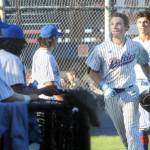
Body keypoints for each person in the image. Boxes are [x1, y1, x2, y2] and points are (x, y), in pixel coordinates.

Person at [86, 12, 150, 150]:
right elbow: (91, 71)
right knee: (124, 136)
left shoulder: (135, 46)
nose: (115, 27)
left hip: (130, 92)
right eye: (112, 24)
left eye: (119, 24)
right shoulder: (101, 49)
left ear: (126, 27)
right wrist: (104, 86)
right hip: (111, 95)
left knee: (132, 131)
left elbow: (145, 64)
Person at [32, 24, 63, 96]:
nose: (57, 40)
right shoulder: (46, 57)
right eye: (56, 37)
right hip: (49, 101)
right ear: (51, 39)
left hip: (44, 99)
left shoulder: (38, 53)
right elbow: (50, 86)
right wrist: (64, 102)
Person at [134, 10, 150, 150]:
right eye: (139, 22)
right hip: (138, 87)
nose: (142, 25)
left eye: (145, 22)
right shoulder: (132, 43)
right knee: (141, 127)